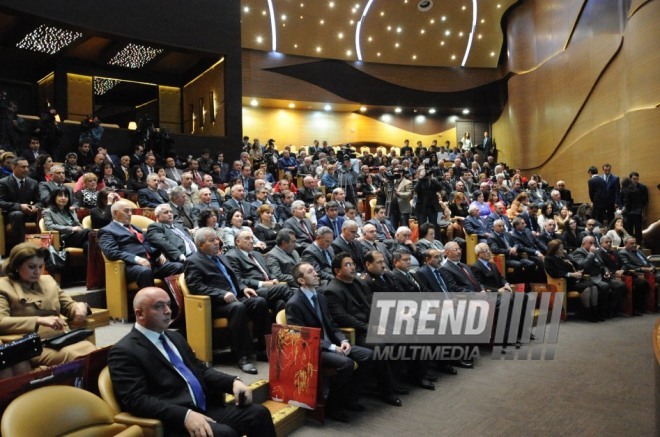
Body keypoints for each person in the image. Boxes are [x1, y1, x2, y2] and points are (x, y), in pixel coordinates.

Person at [108, 287, 275, 437]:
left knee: (259, 414)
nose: (167, 311)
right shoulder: (124, 351)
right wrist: (185, 415)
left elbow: (200, 370)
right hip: (173, 419)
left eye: (168, 304)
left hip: (204, 407)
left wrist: (232, 382)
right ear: (140, 314)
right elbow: (136, 400)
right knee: (225, 434)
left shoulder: (174, 337)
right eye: (159, 306)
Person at [286, 262, 373, 422]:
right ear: (301, 281)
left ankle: (349, 398)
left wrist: (343, 340)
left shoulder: (320, 297)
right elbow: (302, 338)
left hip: (333, 344)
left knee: (367, 355)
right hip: (314, 349)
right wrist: (332, 347)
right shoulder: (294, 304)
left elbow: (332, 325)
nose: (316, 273)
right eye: (310, 272)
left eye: (315, 270)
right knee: (346, 363)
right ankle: (333, 407)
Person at [184, 228, 268, 374]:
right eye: (212, 241)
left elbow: (234, 278)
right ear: (200, 244)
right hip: (214, 304)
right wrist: (221, 294)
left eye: (217, 239)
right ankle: (242, 357)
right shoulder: (193, 261)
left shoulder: (222, 257)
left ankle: (262, 349)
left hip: (235, 297)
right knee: (238, 307)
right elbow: (195, 286)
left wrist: (243, 288)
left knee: (259, 301)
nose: (217, 243)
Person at [323, 252, 402, 407]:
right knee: (379, 346)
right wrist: (370, 328)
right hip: (355, 332)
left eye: (352, 264)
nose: (352, 267)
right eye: (347, 265)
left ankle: (391, 381)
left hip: (370, 325)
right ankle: (387, 391)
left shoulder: (359, 282)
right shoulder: (332, 290)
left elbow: (371, 304)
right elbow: (343, 318)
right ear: (337, 271)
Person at [0, 243, 96, 367]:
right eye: (32, 267)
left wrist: (78, 308)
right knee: (74, 356)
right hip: (32, 346)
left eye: (40, 266)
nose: (37, 272)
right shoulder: (4, 287)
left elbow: (68, 305)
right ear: (17, 266)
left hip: (61, 338)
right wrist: (39, 320)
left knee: (93, 352)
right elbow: (1, 321)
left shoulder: (48, 281)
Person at [98, 200, 184, 289]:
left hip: (152, 263)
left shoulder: (136, 228)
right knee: (145, 272)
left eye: (131, 211)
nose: (130, 213)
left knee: (179, 267)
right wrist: (137, 259)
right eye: (126, 211)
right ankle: (151, 302)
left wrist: (160, 253)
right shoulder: (106, 231)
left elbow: (149, 243)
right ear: (115, 213)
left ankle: (173, 300)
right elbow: (111, 252)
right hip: (131, 266)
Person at [225, 230, 293, 313]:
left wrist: (274, 279)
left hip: (270, 287)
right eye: (247, 238)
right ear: (238, 242)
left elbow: (269, 272)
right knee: (283, 288)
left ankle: (281, 325)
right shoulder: (232, 256)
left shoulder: (257, 254)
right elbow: (238, 280)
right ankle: (302, 317)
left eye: (252, 238)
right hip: (253, 290)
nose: (251, 241)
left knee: (280, 303)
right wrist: (262, 283)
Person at [544, 239, 600, 322]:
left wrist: (572, 265)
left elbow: (577, 265)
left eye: (562, 248)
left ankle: (594, 312)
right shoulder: (549, 259)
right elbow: (553, 273)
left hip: (574, 280)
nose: (562, 250)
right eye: (560, 249)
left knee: (594, 286)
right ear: (554, 250)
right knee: (587, 288)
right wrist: (570, 274)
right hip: (564, 283)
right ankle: (587, 313)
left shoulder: (564, 255)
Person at [570, 236, 626, 319]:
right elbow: (582, 266)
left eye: (594, 243)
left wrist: (606, 271)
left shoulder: (595, 251)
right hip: (590, 277)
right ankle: (601, 311)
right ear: (583, 243)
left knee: (621, 285)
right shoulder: (578, 252)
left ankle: (610, 309)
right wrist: (591, 254)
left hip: (601, 275)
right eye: (590, 243)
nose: (593, 245)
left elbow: (602, 265)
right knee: (604, 286)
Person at [0, 157, 40, 248]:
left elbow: (40, 201)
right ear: (13, 167)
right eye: (23, 167)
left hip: (30, 212)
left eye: (27, 167)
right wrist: (19, 206)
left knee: (45, 213)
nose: (26, 169)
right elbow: (1, 202)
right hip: (11, 213)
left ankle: (42, 248)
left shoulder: (33, 182)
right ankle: (20, 248)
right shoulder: (3, 182)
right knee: (18, 214)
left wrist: (35, 206)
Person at [42, 187, 90, 252]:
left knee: (88, 244)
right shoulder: (47, 212)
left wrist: (79, 228)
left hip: (76, 237)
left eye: (66, 196)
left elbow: (78, 224)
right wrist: (72, 229)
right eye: (60, 195)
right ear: (54, 197)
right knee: (88, 231)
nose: (63, 198)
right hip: (63, 239)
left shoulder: (71, 211)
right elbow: (49, 227)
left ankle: (90, 262)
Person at [620, 175, 646, 244]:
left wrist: (624, 210)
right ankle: (638, 243)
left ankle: (630, 243)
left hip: (630, 213)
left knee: (629, 230)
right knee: (638, 230)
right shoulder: (636, 189)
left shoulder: (626, 190)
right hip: (638, 212)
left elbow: (627, 203)